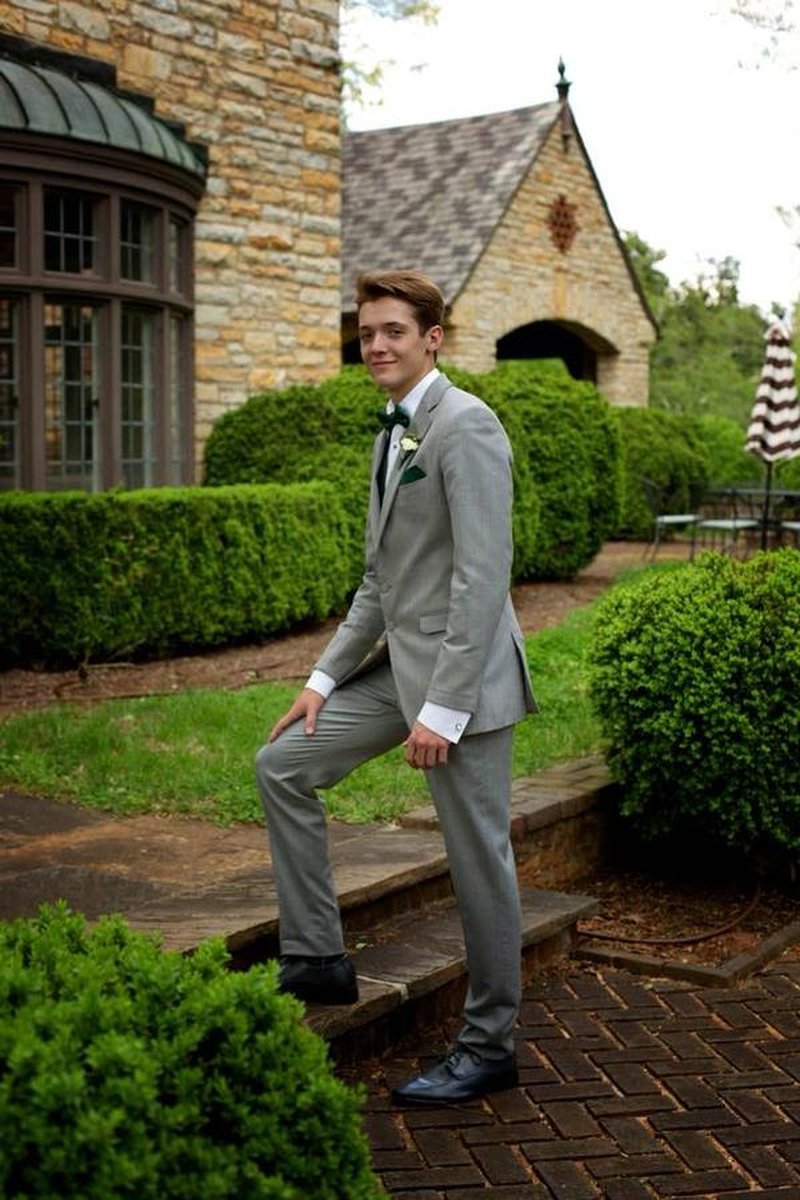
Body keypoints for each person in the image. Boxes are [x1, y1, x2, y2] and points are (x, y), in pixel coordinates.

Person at [255, 268, 536, 1106]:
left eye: (393, 332)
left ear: (432, 339)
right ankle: (317, 959)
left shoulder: (467, 424)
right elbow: (380, 582)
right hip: (397, 672)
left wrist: (443, 713)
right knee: (282, 765)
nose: (376, 345)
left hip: (464, 685)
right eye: (367, 333)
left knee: (478, 862)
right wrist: (321, 679)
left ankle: (489, 1046)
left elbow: (482, 579)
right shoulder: (392, 434)